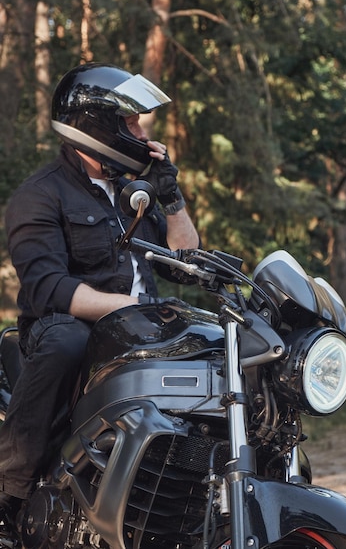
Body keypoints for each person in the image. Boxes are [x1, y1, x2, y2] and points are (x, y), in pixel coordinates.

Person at [0, 62, 200, 528]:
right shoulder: (40, 196)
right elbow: (49, 289)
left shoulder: (135, 193)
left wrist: (171, 197)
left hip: (136, 330)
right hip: (69, 329)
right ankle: (9, 490)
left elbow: (186, 263)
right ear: (98, 124)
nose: (140, 131)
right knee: (67, 340)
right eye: (131, 122)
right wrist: (130, 307)